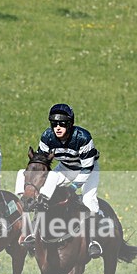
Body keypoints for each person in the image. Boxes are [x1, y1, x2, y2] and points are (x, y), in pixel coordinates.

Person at [16, 103, 103, 258]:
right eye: (54, 124)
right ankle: (33, 232)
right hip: (66, 167)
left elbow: (87, 168)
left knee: (89, 199)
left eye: (62, 124)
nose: (57, 127)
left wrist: (74, 187)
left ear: (69, 124)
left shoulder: (83, 137)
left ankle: (93, 242)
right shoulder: (47, 136)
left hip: (88, 169)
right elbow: (41, 160)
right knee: (46, 189)